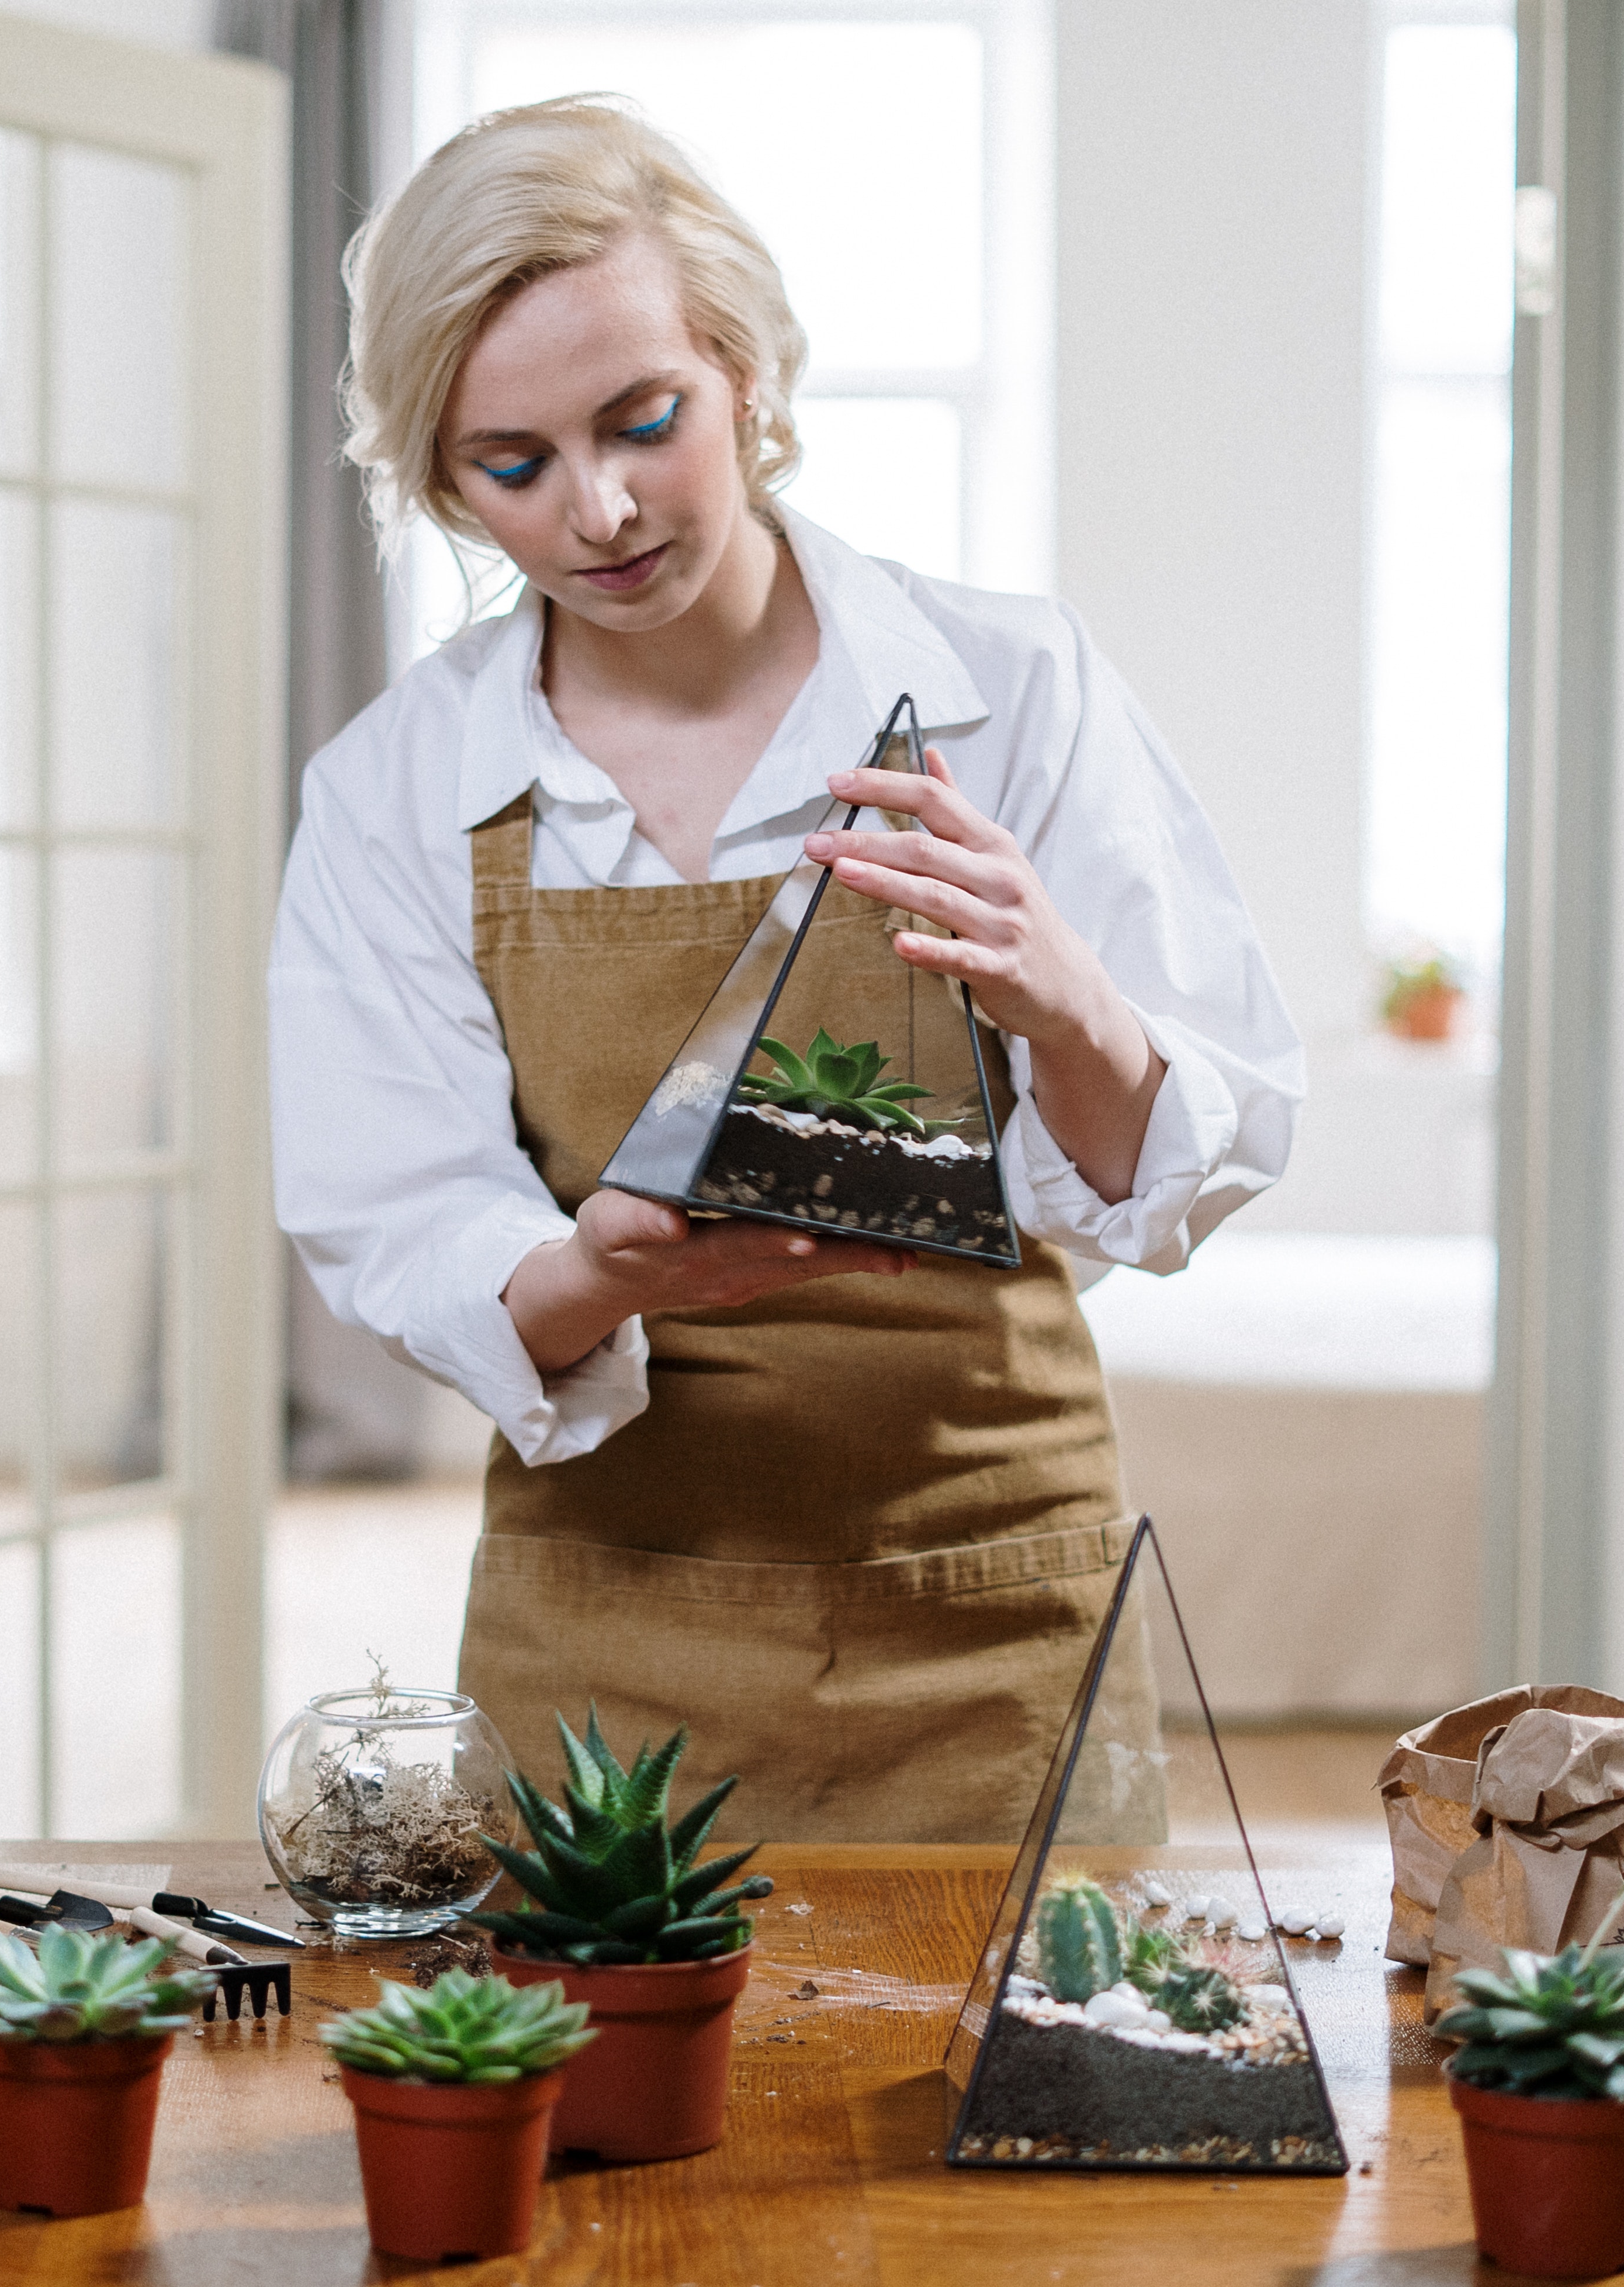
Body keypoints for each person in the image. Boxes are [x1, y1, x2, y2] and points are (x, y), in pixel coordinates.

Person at [268, 98, 1302, 1840]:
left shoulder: (1013, 686)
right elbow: (402, 1220)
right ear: (444, 482)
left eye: (643, 421)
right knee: (597, 2108)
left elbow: (1180, 1177)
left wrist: (1072, 1001)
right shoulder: (398, 789)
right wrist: (597, 1275)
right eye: (512, 465)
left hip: (992, 1612)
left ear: (746, 371)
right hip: (609, 1624)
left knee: (1016, 2106)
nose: (599, 510)